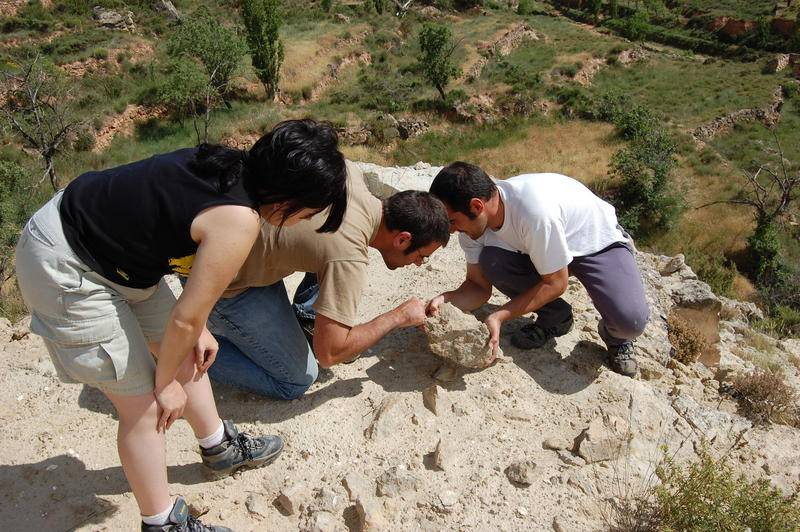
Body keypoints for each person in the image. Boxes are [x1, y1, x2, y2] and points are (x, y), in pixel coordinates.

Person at [14, 119, 349, 531]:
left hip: (116, 255)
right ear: (286, 201)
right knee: (144, 406)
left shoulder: (230, 165)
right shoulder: (240, 220)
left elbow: (185, 283)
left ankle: (220, 447)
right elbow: (185, 317)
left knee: (191, 348)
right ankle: (161, 523)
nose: (306, 222)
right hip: (67, 263)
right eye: (309, 212)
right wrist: (165, 381)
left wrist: (194, 331)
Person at [204, 162, 451, 399]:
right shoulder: (348, 258)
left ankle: (306, 319)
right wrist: (398, 317)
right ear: (403, 240)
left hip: (228, 227)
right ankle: (183, 350)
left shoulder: (347, 173)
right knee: (297, 379)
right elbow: (330, 354)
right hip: (225, 281)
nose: (419, 264)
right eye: (422, 256)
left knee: (327, 253)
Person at [426, 162, 650, 377]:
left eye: (452, 221)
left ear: (477, 206)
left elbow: (556, 282)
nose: (452, 230)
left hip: (594, 243)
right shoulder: (474, 227)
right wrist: (445, 301)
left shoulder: (534, 212)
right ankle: (556, 316)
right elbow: (477, 287)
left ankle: (616, 339)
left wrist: (500, 316)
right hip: (539, 246)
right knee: (493, 260)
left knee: (630, 322)